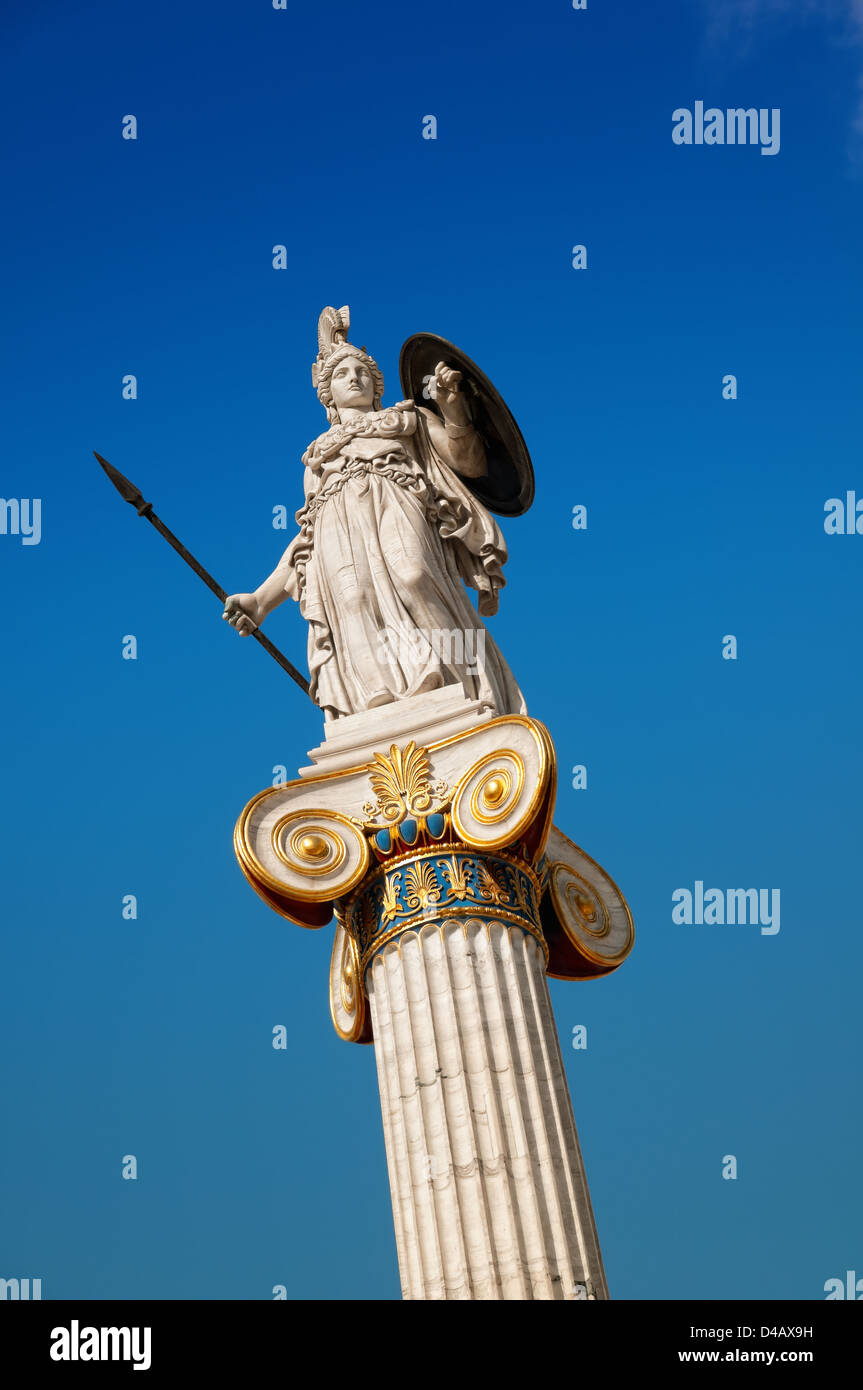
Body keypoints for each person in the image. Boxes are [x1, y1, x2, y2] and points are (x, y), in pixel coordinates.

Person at [223, 306, 526, 722]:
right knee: (351, 598)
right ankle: (375, 698)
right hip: (338, 525)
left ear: (377, 384)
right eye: (342, 373)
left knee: (413, 574)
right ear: (326, 391)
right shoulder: (316, 459)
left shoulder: (406, 420)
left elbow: (469, 463)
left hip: (398, 502)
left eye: (363, 371)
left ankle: (463, 686)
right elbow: (305, 544)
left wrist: (454, 411)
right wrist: (260, 600)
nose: (355, 377)